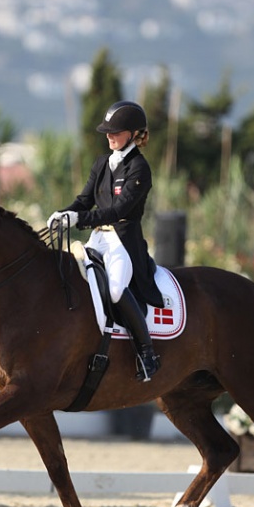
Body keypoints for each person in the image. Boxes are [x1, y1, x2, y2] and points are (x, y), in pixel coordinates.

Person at [47, 100, 163, 382]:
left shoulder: (139, 169)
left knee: (113, 290)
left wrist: (80, 220)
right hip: (98, 239)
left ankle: (146, 353)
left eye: (116, 131)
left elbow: (120, 211)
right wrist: (64, 213)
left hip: (123, 242)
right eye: (107, 132)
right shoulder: (101, 164)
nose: (109, 136)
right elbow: (84, 200)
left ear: (134, 134)